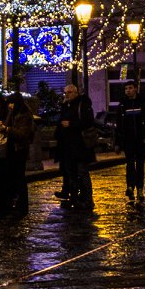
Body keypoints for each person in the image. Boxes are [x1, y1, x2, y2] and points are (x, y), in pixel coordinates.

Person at [54, 84, 95, 212]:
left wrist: (71, 124)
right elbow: (61, 122)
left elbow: (88, 122)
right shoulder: (65, 106)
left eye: (70, 92)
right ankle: (74, 198)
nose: (67, 95)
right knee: (70, 173)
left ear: (76, 93)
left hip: (80, 145)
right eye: (65, 93)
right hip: (67, 146)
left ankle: (87, 200)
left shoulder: (83, 105)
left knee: (82, 173)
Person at [116, 86, 145, 208]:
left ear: (135, 90)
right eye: (126, 88)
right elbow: (119, 124)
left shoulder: (143, 103)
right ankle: (130, 186)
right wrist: (118, 142)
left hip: (140, 139)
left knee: (140, 165)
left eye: (130, 88)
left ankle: (140, 188)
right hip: (128, 140)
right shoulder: (122, 105)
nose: (128, 90)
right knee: (130, 164)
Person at [1, 94, 37, 216]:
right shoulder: (12, 113)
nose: (9, 106)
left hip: (20, 149)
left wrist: (7, 129)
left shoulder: (24, 115)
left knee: (20, 178)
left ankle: (22, 206)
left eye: (11, 103)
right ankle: (13, 203)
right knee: (12, 177)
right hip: (12, 149)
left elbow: (22, 134)